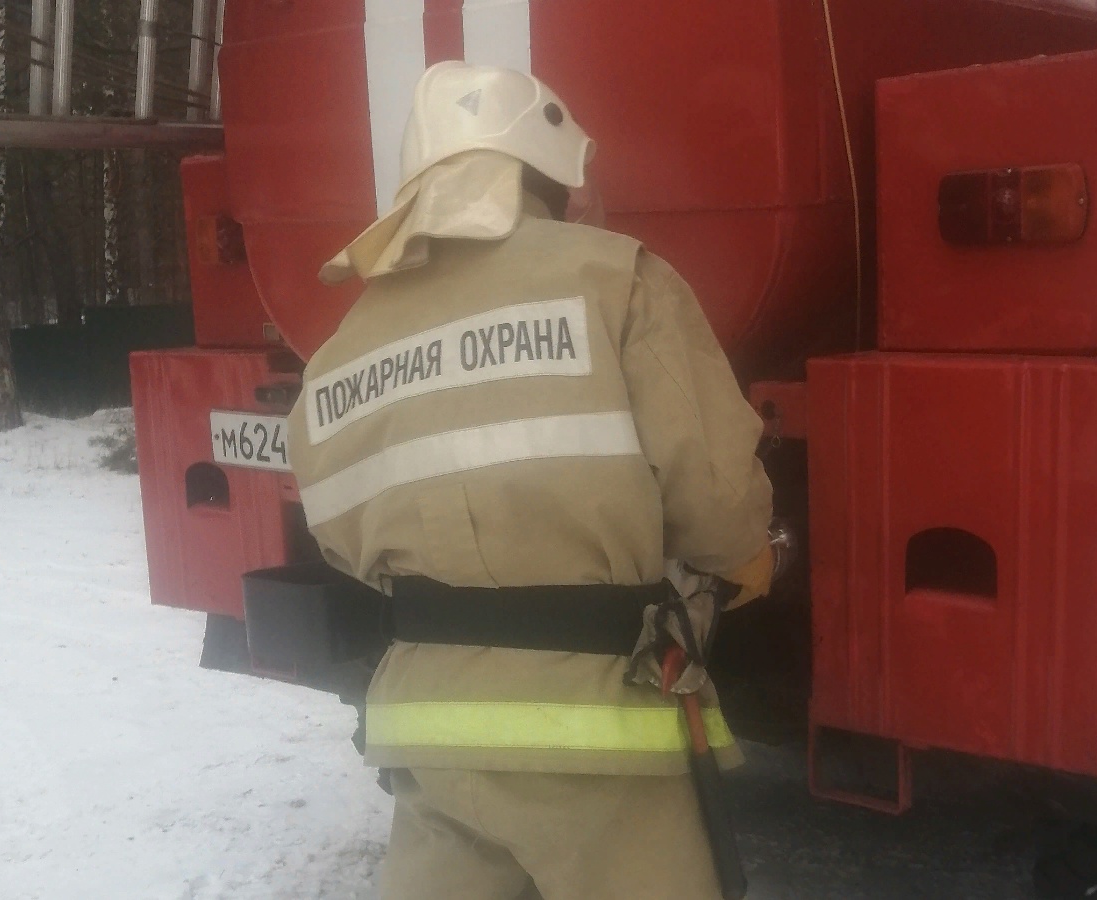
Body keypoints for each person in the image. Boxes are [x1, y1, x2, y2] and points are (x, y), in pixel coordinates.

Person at [286, 61, 774, 900]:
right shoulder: (616, 279)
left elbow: (336, 532)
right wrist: (746, 558)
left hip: (427, 729)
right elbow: (716, 494)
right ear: (548, 172)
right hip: (594, 733)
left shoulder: (343, 346)